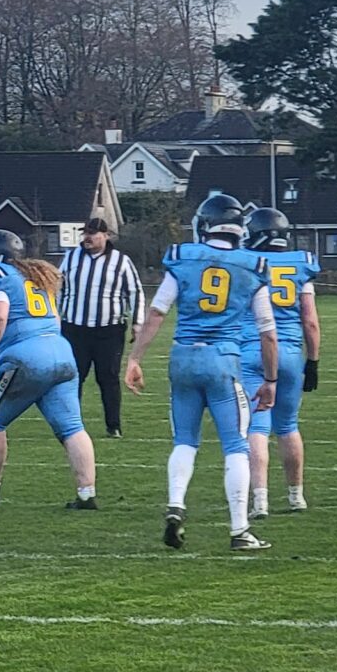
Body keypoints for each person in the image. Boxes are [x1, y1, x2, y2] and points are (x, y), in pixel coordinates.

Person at [125, 193, 279, 552]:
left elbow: (158, 312)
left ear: (205, 224)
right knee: (236, 445)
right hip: (222, 359)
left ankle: (176, 506)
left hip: (182, 358)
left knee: (184, 441)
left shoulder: (183, 258)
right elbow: (267, 332)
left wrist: (135, 358)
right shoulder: (253, 265)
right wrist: (270, 380)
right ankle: (240, 530)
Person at [0, 230, 96, 510]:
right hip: (61, 351)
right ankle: (87, 494)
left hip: (27, 356)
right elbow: (55, 318)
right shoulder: (34, 275)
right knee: (72, 427)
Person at [241, 207, 321, 516]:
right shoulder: (300, 265)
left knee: (257, 427)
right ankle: (295, 496)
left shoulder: (248, 264)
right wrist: (312, 361)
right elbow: (310, 322)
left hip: (253, 350)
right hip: (289, 353)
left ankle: (259, 500)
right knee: (288, 425)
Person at [55, 215, 143, 438]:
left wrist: (137, 322)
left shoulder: (121, 262)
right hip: (75, 328)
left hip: (109, 329)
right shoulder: (71, 257)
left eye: (93, 233)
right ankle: (70, 424)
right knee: (73, 376)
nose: (87, 238)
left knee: (108, 377)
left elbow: (135, 292)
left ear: (106, 235)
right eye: (85, 233)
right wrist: (54, 316)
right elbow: (58, 287)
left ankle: (113, 426)